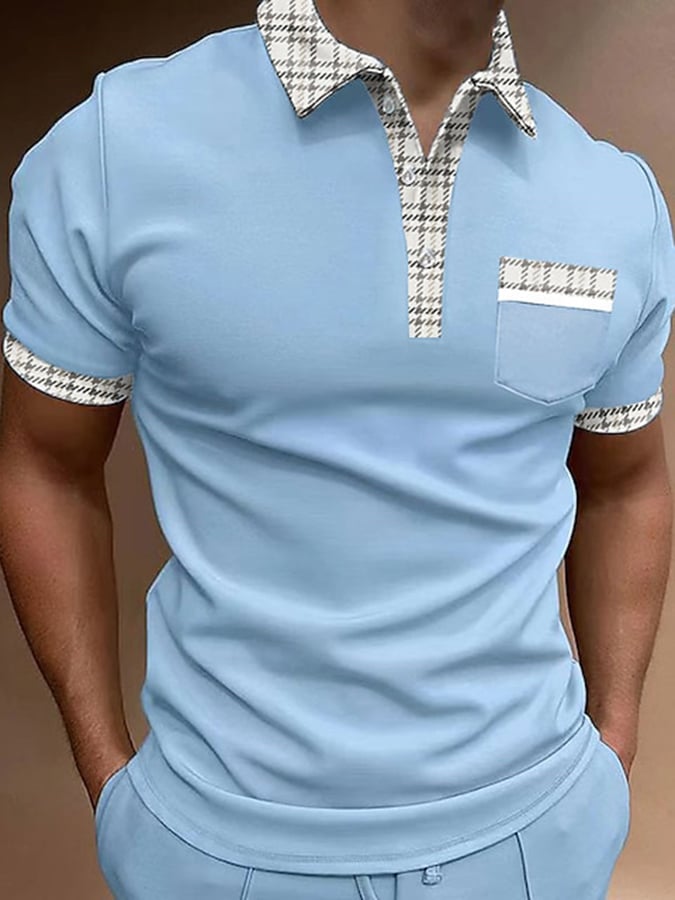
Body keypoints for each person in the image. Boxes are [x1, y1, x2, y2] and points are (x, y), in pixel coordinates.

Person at [1, 0, 673, 897]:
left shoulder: (612, 197)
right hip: (214, 852)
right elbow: (44, 464)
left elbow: (627, 481)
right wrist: (110, 779)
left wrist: (609, 755)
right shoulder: (114, 150)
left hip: (536, 839)